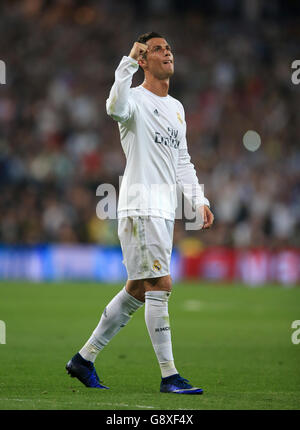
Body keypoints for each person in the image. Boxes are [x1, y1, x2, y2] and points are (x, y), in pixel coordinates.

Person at [66, 32, 214, 394]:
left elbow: (182, 160)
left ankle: (84, 360)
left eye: (169, 48)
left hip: (162, 210)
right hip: (140, 206)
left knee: (136, 290)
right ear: (145, 60)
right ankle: (169, 376)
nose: (168, 53)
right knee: (160, 285)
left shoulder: (177, 108)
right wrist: (127, 62)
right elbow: (113, 108)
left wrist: (198, 198)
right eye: (159, 50)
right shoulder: (132, 99)